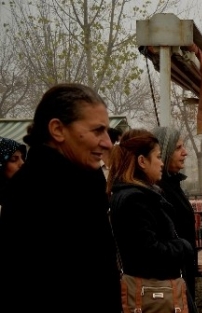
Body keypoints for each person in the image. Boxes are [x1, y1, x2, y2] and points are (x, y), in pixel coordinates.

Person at [0, 83, 121, 312]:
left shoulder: (85, 178)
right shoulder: (31, 192)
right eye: (97, 130)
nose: (107, 142)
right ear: (57, 129)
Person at [107, 128, 195, 312]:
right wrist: (183, 247)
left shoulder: (136, 194)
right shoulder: (135, 199)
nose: (161, 163)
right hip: (154, 295)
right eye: (158, 156)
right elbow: (149, 251)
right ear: (142, 161)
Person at [152, 126, 198, 304]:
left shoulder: (173, 184)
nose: (185, 152)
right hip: (171, 279)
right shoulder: (159, 190)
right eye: (178, 148)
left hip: (184, 271)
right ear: (164, 152)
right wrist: (184, 249)